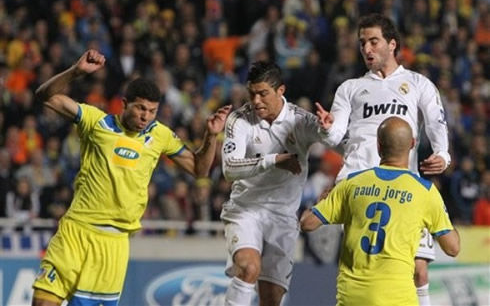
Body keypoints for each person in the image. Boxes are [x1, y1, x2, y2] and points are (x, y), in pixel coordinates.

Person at [31, 49, 231, 306]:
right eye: (140, 108)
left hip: (114, 245)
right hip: (75, 232)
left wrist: (211, 136)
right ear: (124, 104)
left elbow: (199, 170)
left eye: (152, 111)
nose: (145, 116)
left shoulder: (160, 135)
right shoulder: (96, 122)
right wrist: (76, 72)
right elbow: (44, 97)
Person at [316, 13, 451, 305]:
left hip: (403, 186)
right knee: (359, 270)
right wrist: (327, 127)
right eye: (362, 42)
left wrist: (442, 154)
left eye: (373, 41)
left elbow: (436, 122)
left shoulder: (418, 84)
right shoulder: (350, 88)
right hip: (357, 185)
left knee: (419, 271)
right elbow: (335, 135)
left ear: (392, 44)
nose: (367, 49)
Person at [300, 116, 460, 306]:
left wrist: (320, 203)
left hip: (352, 298)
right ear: (412, 144)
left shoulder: (352, 183)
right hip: (398, 299)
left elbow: (306, 223)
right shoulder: (424, 192)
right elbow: (453, 248)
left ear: (378, 145)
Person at [220, 61, 331, 306]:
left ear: (281, 90)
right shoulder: (239, 120)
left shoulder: (300, 120)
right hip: (245, 210)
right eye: (252, 93)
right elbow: (229, 168)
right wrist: (275, 160)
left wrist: (329, 130)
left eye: (263, 93)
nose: (256, 100)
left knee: (271, 299)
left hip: (283, 218)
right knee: (249, 268)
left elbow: (339, 142)